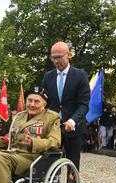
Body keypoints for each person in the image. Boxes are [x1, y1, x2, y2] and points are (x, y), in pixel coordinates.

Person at [42, 41, 90, 170]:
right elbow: (45, 102)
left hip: (74, 127)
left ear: (68, 55)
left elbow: (84, 104)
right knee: (50, 161)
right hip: (53, 127)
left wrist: (73, 121)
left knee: (72, 163)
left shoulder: (81, 76)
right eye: (53, 57)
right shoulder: (48, 77)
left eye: (59, 57)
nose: (56, 61)